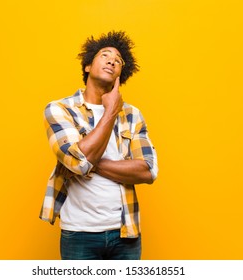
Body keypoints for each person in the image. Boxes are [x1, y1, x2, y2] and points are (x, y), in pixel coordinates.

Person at [39, 31, 158, 260]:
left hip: (126, 234)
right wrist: (111, 111)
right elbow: (77, 162)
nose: (112, 60)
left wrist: (88, 161)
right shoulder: (59, 109)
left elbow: (147, 171)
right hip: (79, 234)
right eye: (105, 55)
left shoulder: (133, 115)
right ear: (87, 66)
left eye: (118, 60)